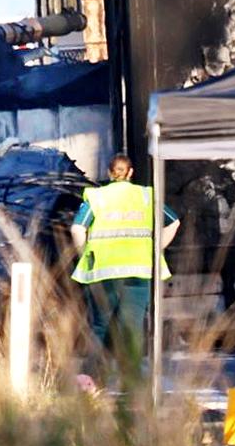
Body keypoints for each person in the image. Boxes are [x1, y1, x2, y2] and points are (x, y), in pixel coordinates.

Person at [71, 154, 179, 380]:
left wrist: (86, 254)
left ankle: (90, 380)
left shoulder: (97, 197)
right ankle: (132, 382)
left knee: (100, 326)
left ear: (110, 173)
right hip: (139, 271)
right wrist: (156, 248)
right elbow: (174, 222)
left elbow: (77, 229)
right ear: (130, 173)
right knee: (132, 326)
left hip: (103, 271)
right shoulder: (146, 196)